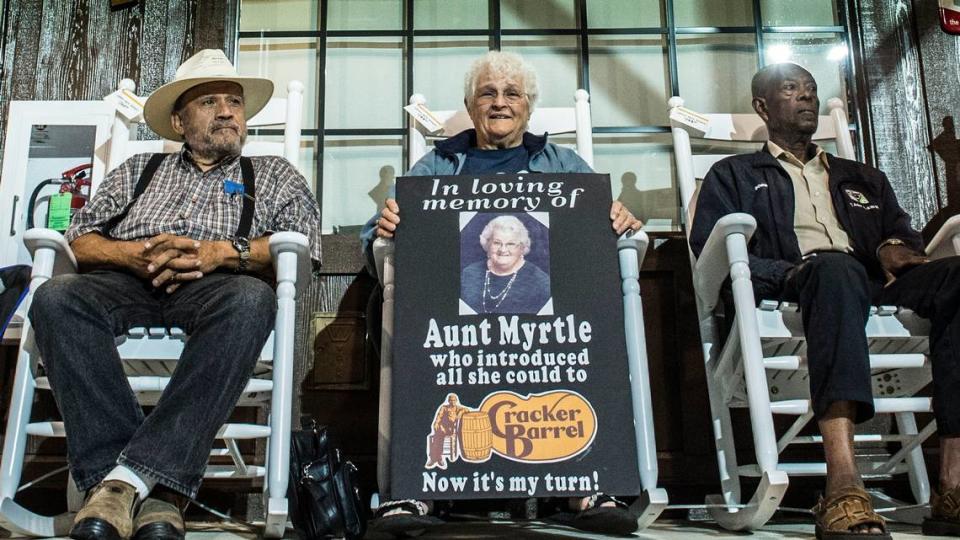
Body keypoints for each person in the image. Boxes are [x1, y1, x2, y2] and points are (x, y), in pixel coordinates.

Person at [28, 49, 321, 540]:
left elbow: (301, 244)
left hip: (218, 284)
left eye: (235, 101)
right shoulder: (138, 169)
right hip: (127, 279)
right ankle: (152, 490)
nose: (228, 111)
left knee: (252, 300)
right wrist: (134, 254)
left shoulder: (273, 174)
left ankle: (122, 486)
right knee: (55, 297)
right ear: (181, 120)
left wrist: (219, 253)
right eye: (210, 101)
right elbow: (81, 237)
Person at [360, 50, 643, 537]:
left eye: (512, 93)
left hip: (548, 312)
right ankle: (415, 488)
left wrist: (618, 220)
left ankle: (588, 486)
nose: (499, 102)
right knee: (423, 334)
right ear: (470, 107)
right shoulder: (441, 164)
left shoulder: (561, 162)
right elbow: (375, 241)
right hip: (453, 313)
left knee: (587, 326)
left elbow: (598, 231)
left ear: (529, 106)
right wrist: (385, 225)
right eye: (487, 93)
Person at [690, 62, 960, 539]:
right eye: (792, 90)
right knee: (834, 270)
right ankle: (843, 487)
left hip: (874, 282)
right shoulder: (732, 174)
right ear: (762, 106)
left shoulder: (862, 177)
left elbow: (900, 231)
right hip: (794, 283)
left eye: (812, 91)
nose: (807, 98)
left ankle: (953, 488)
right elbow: (710, 250)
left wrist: (889, 247)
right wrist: (788, 271)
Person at [460, 214, 551, 314]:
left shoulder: (541, 283)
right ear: (487, 243)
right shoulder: (468, 274)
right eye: (497, 243)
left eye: (511, 244)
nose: (503, 249)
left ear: (522, 247)